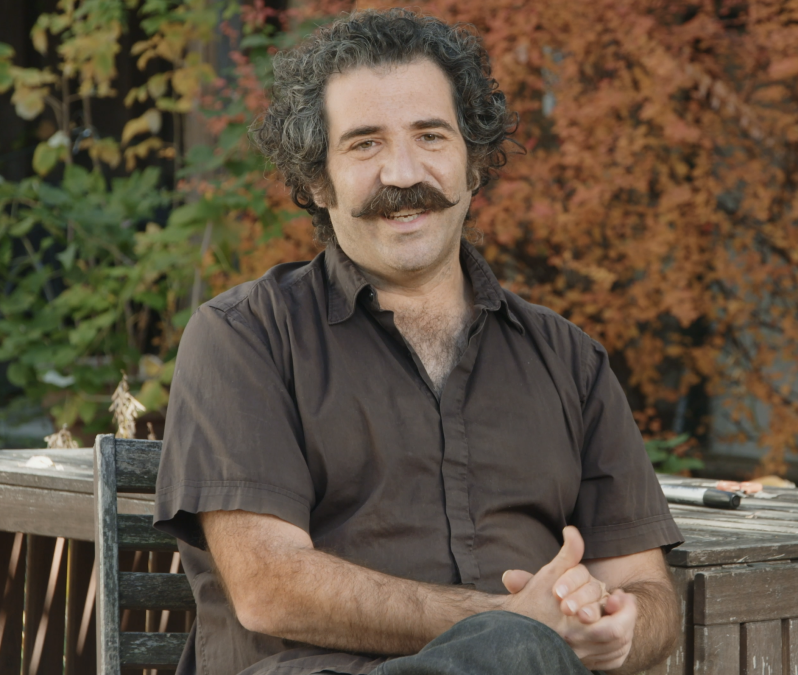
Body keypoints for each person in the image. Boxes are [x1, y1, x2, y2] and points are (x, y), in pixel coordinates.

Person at [153, 8, 684, 675]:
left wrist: (622, 625)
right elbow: (268, 587)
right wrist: (509, 625)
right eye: (365, 144)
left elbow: (650, 588)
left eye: (430, 136)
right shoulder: (244, 337)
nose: (403, 173)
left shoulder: (568, 359)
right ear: (318, 181)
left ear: (474, 164)